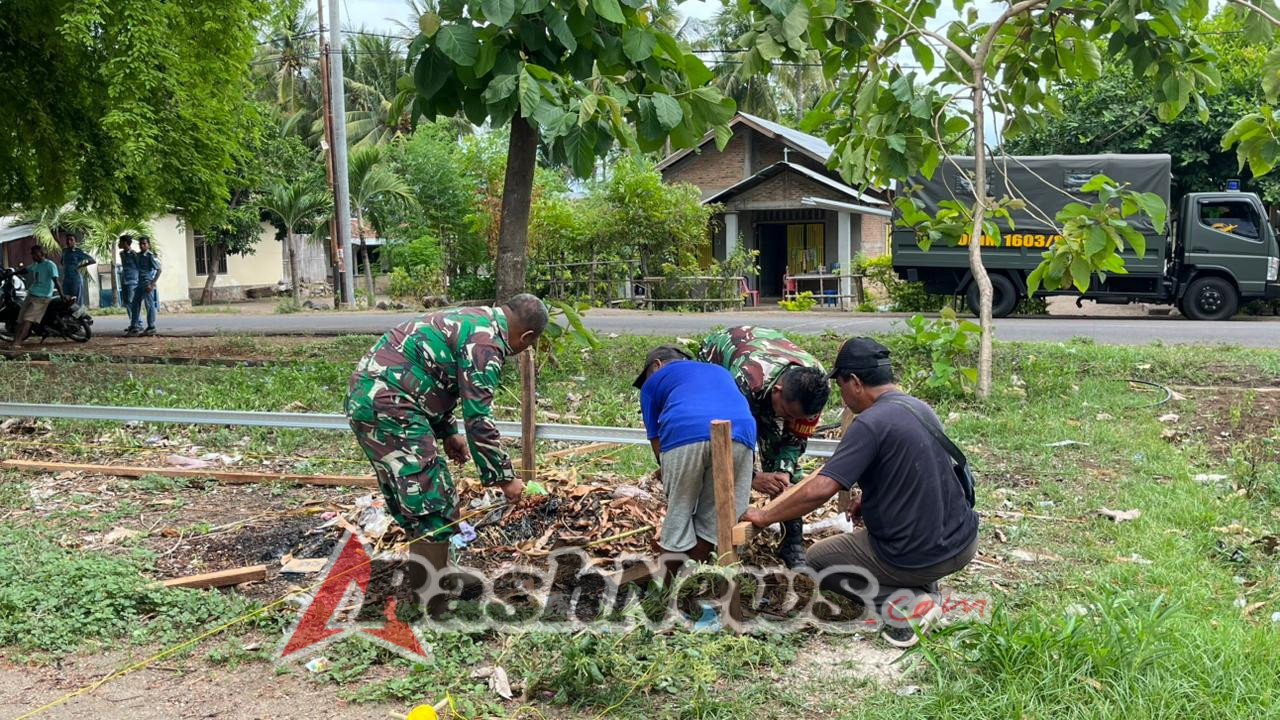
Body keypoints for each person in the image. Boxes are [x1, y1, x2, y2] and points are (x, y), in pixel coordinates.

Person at [741, 338, 979, 646]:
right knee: (900, 540)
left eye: (840, 386)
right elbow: (922, 469)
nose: (841, 397)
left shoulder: (870, 423)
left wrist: (764, 515)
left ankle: (908, 607)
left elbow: (822, 487)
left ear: (855, 382)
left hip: (919, 555)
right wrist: (869, 497)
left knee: (817, 561)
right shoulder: (919, 407)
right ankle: (925, 589)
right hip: (962, 543)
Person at [345, 294, 548, 574]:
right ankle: (431, 598)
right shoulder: (487, 344)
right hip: (391, 405)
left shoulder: (474, 318)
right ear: (526, 337)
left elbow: (434, 377)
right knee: (433, 500)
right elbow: (479, 421)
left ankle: (440, 576)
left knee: (409, 494)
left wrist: (449, 432)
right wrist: (505, 479)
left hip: (368, 397)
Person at [699, 326, 829, 568]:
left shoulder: (816, 387)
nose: (788, 421)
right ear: (778, 391)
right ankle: (712, 535)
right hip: (719, 355)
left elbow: (795, 437)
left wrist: (783, 471)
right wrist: (753, 476)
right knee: (736, 448)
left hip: (766, 366)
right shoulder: (745, 381)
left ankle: (792, 540)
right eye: (786, 414)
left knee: (783, 470)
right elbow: (724, 440)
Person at [635, 345, 756, 563]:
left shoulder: (652, 382)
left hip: (686, 430)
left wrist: (666, 470)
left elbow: (655, 438)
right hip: (742, 432)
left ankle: (669, 590)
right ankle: (698, 580)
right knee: (715, 521)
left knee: (679, 516)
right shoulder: (719, 370)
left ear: (657, 365)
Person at [10, 245, 63, 347]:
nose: (32, 255)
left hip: (42, 297)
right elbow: (25, 270)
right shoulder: (36, 265)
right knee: (20, 320)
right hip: (31, 294)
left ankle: (17, 343)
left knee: (27, 320)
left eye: (35, 253)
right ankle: (14, 341)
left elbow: (56, 281)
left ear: (42, 253)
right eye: (32, 253)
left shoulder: (50, 265)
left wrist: (62, 295)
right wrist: (11, 274)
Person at [128, 236, 161, 336]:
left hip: (147, 283)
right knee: (135, 304)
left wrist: (152, 283)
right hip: (139, 283)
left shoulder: (150, 256)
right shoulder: (138, 255)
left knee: (149, 305)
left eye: (144, 244)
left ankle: (151, 326)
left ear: (148, 245)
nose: (142, 245)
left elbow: (159, 270)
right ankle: (134, 326)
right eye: (140, 244)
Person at [59, 235, 95, 306]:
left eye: (71, 240)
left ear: (75, 242)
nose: (69, 241)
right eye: (67, 240)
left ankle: (78, 315)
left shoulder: (78, 251)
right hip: (66, 278)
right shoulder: (65, 251)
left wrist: (80, 266)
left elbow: (92, 261)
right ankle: (69, 315)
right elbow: (62, 262)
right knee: (66, 298)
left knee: (76, 299)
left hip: (75, 278)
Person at [118, 236, 140, 334]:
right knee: (127, 302)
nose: (119, 244)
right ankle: (133, 323)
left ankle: (138, 324)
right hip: (124, 280)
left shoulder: (134, 254)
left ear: (126, 243)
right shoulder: (121, 253)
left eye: (121, 242)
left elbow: (139, 267)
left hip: (133, 281)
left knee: (133, 302)